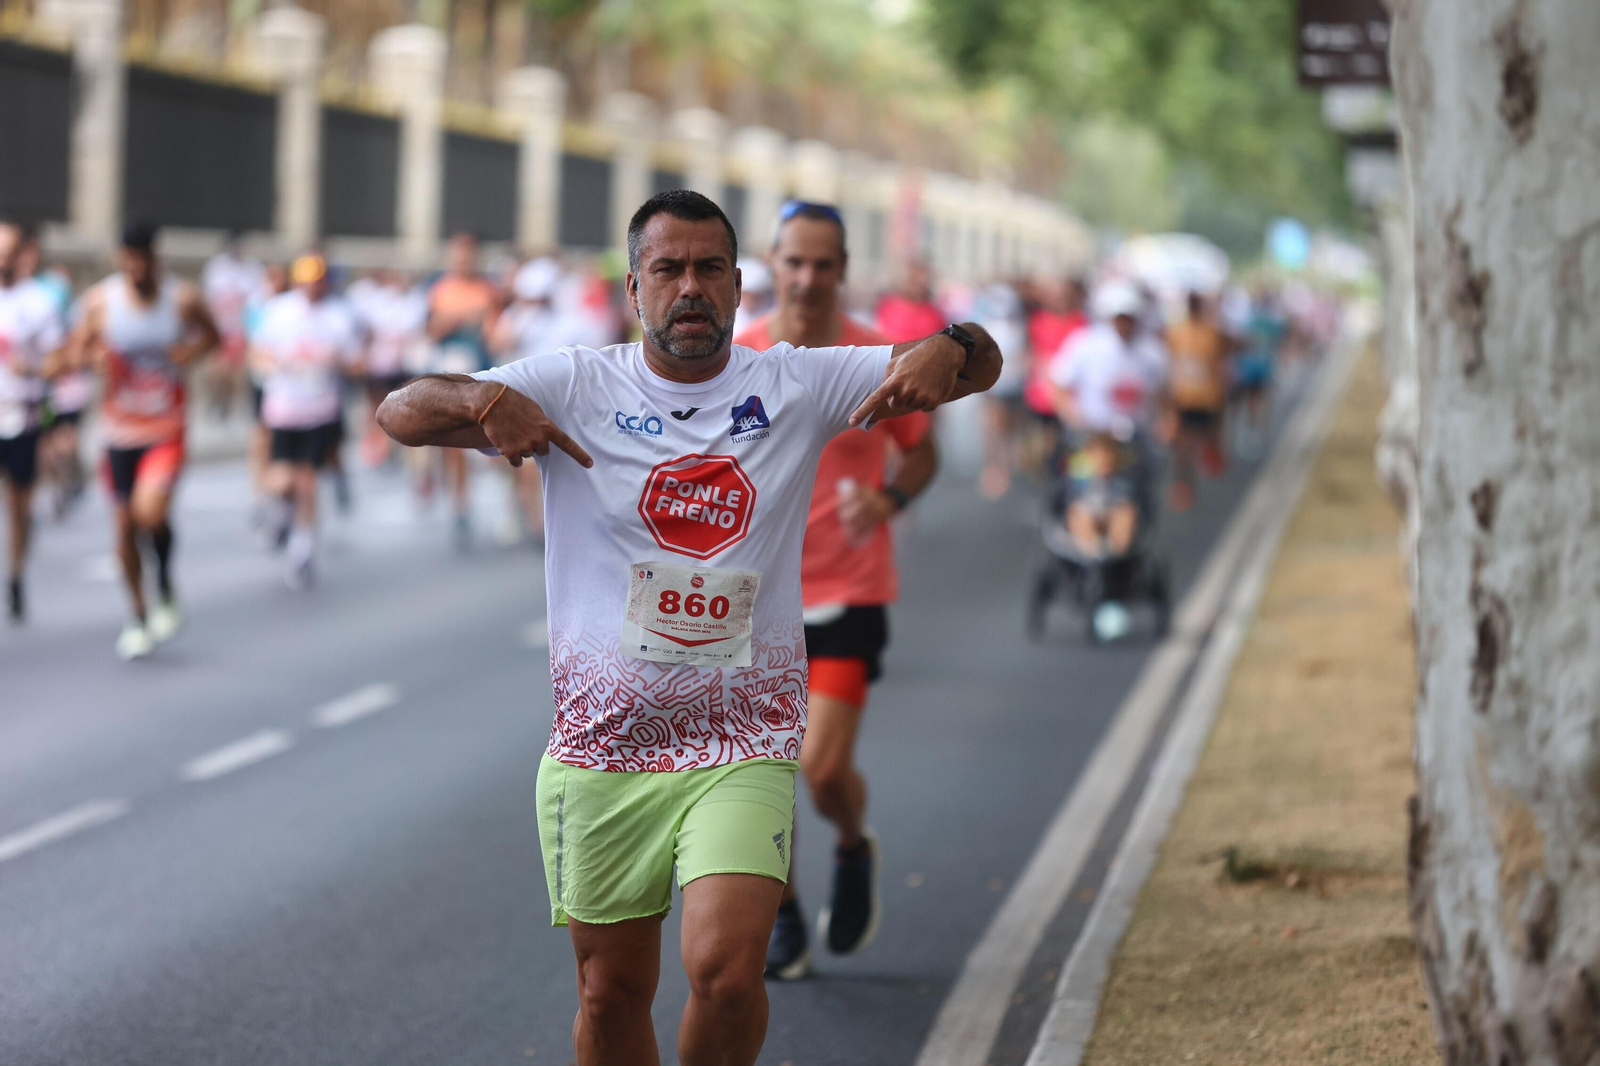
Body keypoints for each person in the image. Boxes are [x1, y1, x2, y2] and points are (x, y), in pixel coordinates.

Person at [376, 190, 999, 1066]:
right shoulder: (575, 384)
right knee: (609, 994)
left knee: (727, 972)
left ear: (740, 286)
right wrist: (483, 402)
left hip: (743, 739)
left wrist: (954, 343)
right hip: (604, 748)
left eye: (710, 269)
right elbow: (399, 412)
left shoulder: (794, 383)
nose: (691, 287)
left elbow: (983, 364)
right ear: (635, 288)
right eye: (668, 269)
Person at [732, 200, 939, 980]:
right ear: (772, 263)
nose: (809, 278)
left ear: (844, 268)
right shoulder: (737, 358)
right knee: (761, 772)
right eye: (795, 261)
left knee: (819, 769)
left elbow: (921, 452)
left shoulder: (873, 358)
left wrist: (887, 500)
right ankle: (783, 914)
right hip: (751, 598)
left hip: (847, 591)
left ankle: (852, 843)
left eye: (824, 264)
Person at [67, 222, 219, 658]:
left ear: (155, 257)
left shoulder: (181, 298)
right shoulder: (101, 301)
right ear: (120, 258)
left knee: (149, 513)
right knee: (122, 529)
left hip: (165, 427)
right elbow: (76, 350)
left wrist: (189, 353)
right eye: (128, 260)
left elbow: (213, 337)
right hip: (118, 431)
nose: (136, 269)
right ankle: (137, 616)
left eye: (143, 260)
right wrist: (92, 358)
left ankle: (165, 580)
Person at [250, 253, 365, 589]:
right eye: (307, 281)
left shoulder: (339, 316)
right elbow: (256, 351)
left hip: (320, 410)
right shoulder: (279, 310)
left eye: (318, 282)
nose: (312, 288)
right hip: (284, 409)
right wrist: (276, 363)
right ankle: (283, 515)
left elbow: (357, 361)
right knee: (281, 481)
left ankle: (303, 551)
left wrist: (337, 361)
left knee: (307, 482)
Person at [0, 221, 68, 623]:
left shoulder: (39, 302)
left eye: (8, 250)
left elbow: (59, 360)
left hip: (21, 416)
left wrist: (34, 368)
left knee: (18, 505)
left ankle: (16, 574)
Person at [426, 231, 499, 549]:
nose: (463, 261)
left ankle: (516, 502)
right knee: (453, 445)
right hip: (448, 377)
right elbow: (431, 331)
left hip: (479, 376)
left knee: (494, 443)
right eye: (458, 255)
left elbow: (494, 335)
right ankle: (460, 504)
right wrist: (456, 320)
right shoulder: (440, 289)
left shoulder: (486, 290)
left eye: (468, 256)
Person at [17, 227, 88, 520]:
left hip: (63, 380)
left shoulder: (54, 287)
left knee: (63, 437)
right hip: (31, 387)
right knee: (45, 443)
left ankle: (71, 477)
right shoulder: (12, 290)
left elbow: (71, 332)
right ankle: (59, 486)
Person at [1162, 290, 1231, 511]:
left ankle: (1210, 466)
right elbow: (1169, 365)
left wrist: (1221, 399)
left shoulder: (1213, 333)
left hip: (1208, 399)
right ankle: (1183, 487)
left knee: (1206, 441)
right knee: (1182, 449)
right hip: (1183, 399)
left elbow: (1221, 365)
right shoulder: (1175, 332)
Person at [200, 234, 263, 420]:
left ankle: (234, 408)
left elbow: (256, 303)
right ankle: (217, 402)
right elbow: (209, 299)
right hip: (220, 329)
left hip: (241, 329)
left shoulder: (252, 268)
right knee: (216, 371)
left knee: (238, 373)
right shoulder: (216, 267)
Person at [875, 257, 946, 343]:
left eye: (921, 278)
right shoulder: (888, 309)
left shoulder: (935, 315)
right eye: (913, 279)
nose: (918, 283)